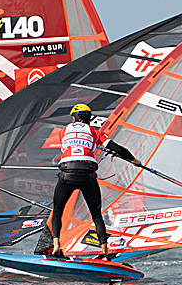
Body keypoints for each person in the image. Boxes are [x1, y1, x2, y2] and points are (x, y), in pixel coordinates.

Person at [49, 103, 141, 258]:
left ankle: (57, 245)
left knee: (58, 210)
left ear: (73, 118)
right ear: (89, 119)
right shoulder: (95, 132)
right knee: (96, 214)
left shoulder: (64, 130)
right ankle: (105, 252)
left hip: (67, 174)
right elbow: (118, 149)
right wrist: (133, 160)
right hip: (88, 174)